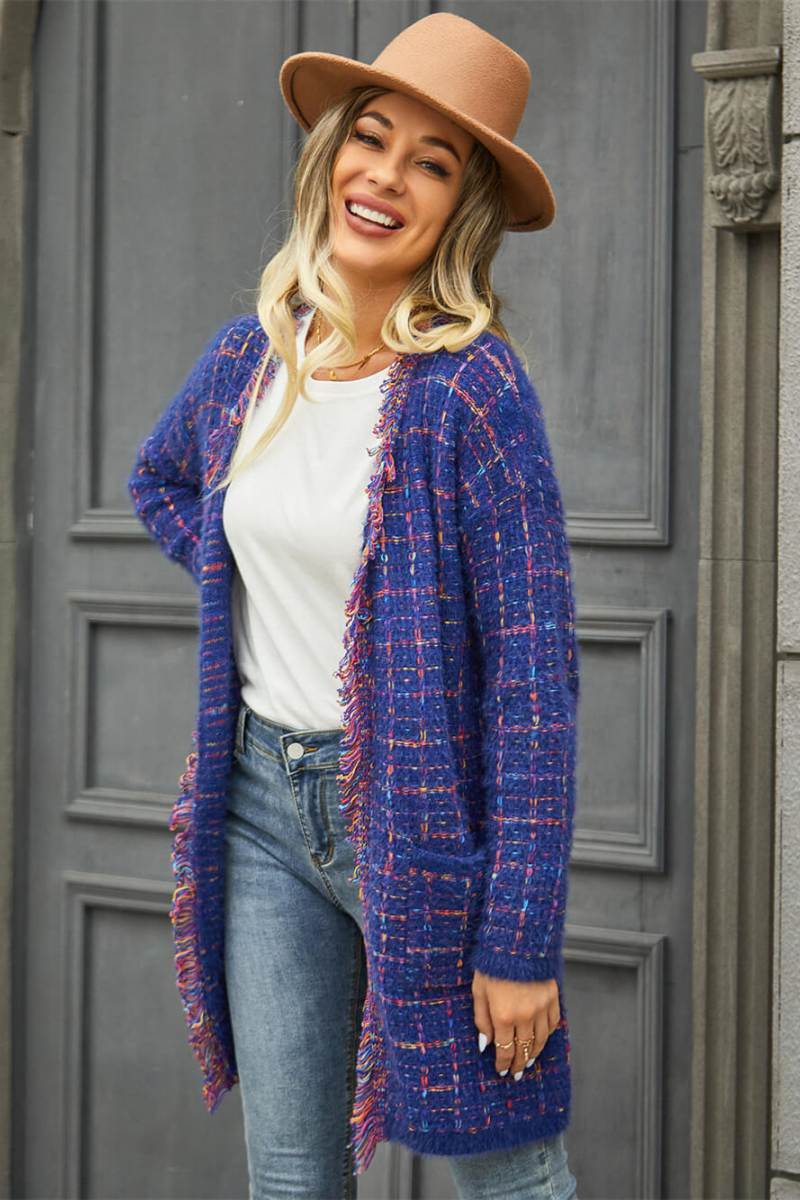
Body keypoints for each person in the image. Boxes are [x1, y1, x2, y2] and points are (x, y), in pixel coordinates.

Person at [128, 11, 580, 1200]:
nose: (384, 177)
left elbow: (533, 687)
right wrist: (238, 576)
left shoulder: (472, 395)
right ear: (330, 155)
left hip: (422, 826)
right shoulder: (248, 360)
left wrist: (519, 938)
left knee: (507, 1176)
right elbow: (161, 482)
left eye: (430, 162)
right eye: (369, 140)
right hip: (258, 811)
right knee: (291, 1178)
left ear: (460, 209)